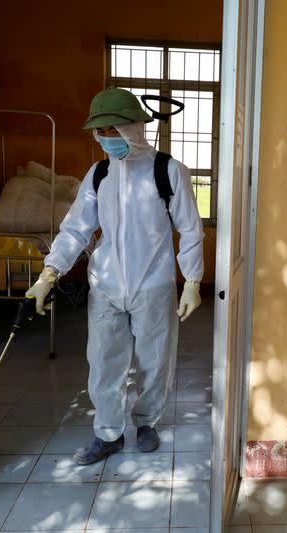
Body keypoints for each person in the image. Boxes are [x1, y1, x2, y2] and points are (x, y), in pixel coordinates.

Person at [26, 88, 204, 464]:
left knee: (155, 360)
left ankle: (147, 423)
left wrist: (191, 281)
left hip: (153, 284)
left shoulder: (167, 170)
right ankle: (107, 434)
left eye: (114, 130)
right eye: (101, 131)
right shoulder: (99, 173)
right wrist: (49, 272)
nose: (108, 138)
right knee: (105, 361)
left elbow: (190, 228)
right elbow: (76, 228)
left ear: (136, 128)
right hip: (105, 285)